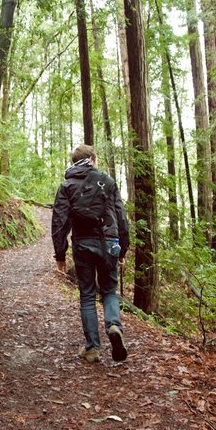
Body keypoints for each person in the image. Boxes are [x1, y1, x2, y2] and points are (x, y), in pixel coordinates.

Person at [51, 145, 130, 363]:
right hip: (110, 241)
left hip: (83, 243)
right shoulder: (108, 181)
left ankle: (93, 348)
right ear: (92, 159)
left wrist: (60, 255)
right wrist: (123, 247)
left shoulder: (67, 186)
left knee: (87, 295)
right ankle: (113, 324)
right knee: (109, 291)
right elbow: (121, 216)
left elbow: (59, 221)